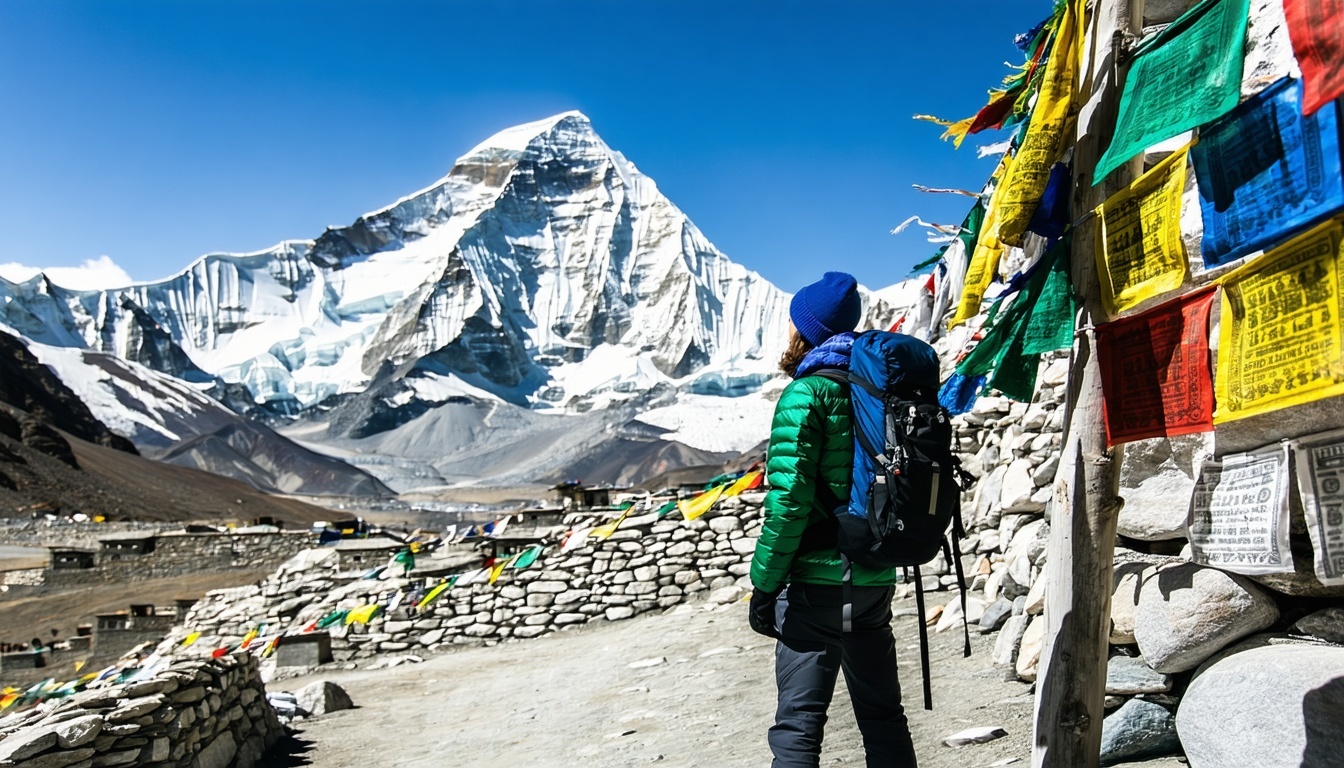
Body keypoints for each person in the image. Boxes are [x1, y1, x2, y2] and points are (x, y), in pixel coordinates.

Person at [749, 271, 917, 768]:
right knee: (884, 716)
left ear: (806, 332)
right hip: (873, 578)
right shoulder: (879, 387)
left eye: (791, 325)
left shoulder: (807, 395)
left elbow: (788, 504)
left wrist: (764, 586)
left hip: (816, 587)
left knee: (799, 726)